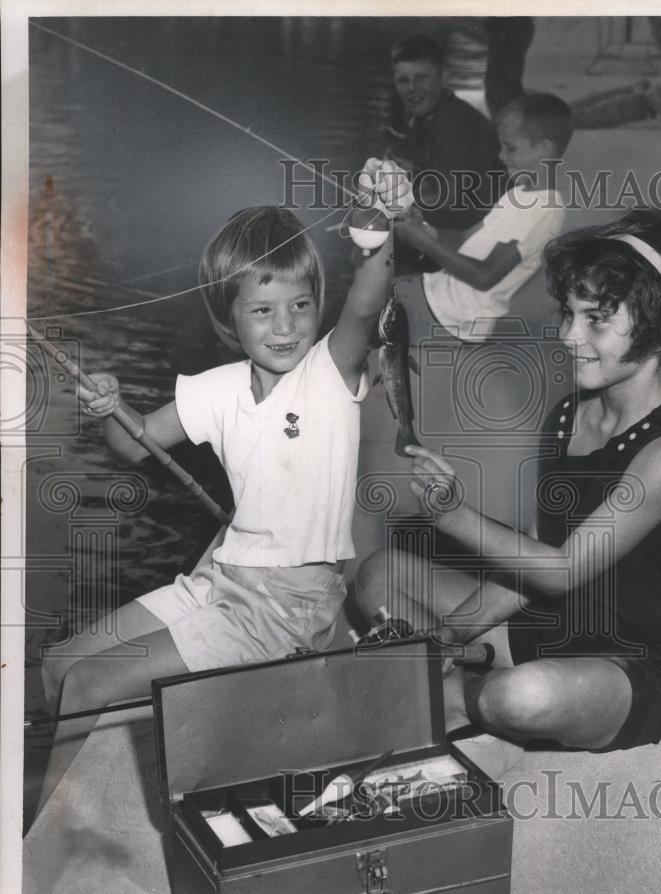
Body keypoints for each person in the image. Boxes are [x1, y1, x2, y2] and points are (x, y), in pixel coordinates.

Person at [36, 160, 409, 813]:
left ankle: (30, 833)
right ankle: (47, 811)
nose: (286, 326)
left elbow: (369, 295)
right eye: (262, 311)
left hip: (287, 609)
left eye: (300, 305)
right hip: (221, 580)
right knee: (60, 665)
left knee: (92, 686)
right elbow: (133, 445)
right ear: (227, 320)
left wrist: (375, 223)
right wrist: (109, 408)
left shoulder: (328, 374)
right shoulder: (217, 390)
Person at [356, 207, 661, 752]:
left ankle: (454, 697)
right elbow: (529, 559)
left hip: (631, 659)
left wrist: (455, 517)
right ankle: (447, 684)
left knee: (520, 698)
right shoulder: (569, 415)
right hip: (550, 623)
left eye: (596, 319)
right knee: (378, 575)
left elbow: (563, 570)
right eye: (567, 314)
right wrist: (451, 632)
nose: (571, 337)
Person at [393, 93, 572, 344]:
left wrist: (423, 242)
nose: (501, 156)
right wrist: (422, 226)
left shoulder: (547, 208)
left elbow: (485, 276)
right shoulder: (517, 195)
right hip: (443, 297)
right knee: (378, 286)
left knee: (370, 296)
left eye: (510, 148)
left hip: (455, 317)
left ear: (544, 150)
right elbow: (465, 239)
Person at [385, 34, 503, 237]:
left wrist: (393, 204)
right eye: (403, 80)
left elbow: (448, 196)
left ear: (444, 77)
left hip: (477, 233)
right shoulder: (420, 116)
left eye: (422, 78)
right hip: (453, 222)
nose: (412, 87)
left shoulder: (453, 123)